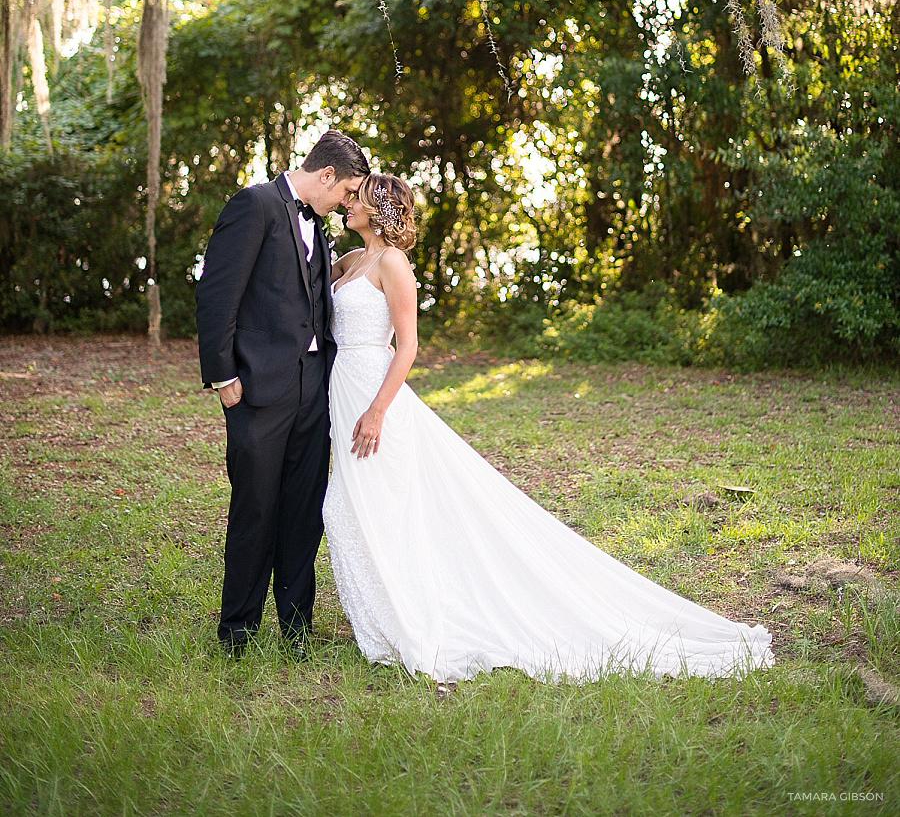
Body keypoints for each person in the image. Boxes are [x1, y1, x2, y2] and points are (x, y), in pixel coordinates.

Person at [323, 173, 774, 683]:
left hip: (375, 401)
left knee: (376, 508)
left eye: (356, 198)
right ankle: (385, 618)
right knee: (350, 508)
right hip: (344, 390)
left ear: (380, 208)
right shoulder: (349, 260)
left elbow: (407, 347)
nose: (347, 204)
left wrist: (379, 409)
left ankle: (409, 618)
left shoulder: (392, 264)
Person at [196, 129, 370, 657]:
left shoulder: (320, 226)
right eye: (347, 192)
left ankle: (297, 629)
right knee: (255, 509)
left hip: (313, 392)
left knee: (302, 511)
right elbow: (216, 294)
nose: (348, 204)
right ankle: (238, 632)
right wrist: (224, 378)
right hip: (257, 391)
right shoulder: (254, 206)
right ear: (326, 176)